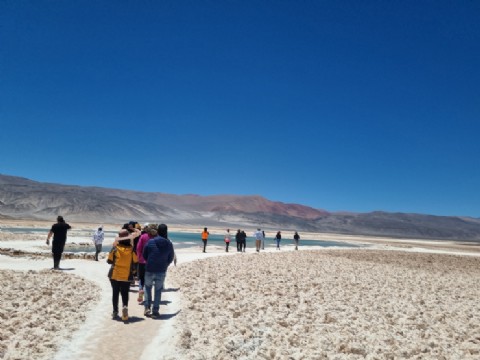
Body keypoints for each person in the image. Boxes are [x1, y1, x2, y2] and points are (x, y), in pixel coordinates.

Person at [108, 227, 141, 321]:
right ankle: (125, 307)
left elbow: (109, 261)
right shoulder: (132, 250)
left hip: (115, 275)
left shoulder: (115, 248)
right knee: (125, 293)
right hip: (126, 276)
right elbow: (136, 261)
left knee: (115, 293)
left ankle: (115, 311)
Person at [143, 224, 175, 318]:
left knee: (147, 288)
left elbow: (145, 254)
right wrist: (165, 264)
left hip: (149, 269)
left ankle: (147, 308)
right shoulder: (168, 244)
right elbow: (171, 257)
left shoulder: (150, 241)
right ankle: (155, 311)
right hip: (161, 270)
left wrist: (149, 261)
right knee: (158, 290)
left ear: (158, 231)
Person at [136, 224, 158, 304]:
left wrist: (139, 258)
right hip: (152, 263)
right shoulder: (157, 238)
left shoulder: (143, 236)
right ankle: (147, 297)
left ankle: (141, 289)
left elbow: (138, 248)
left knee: (141, 279)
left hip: (142, 262)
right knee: (149, 281)